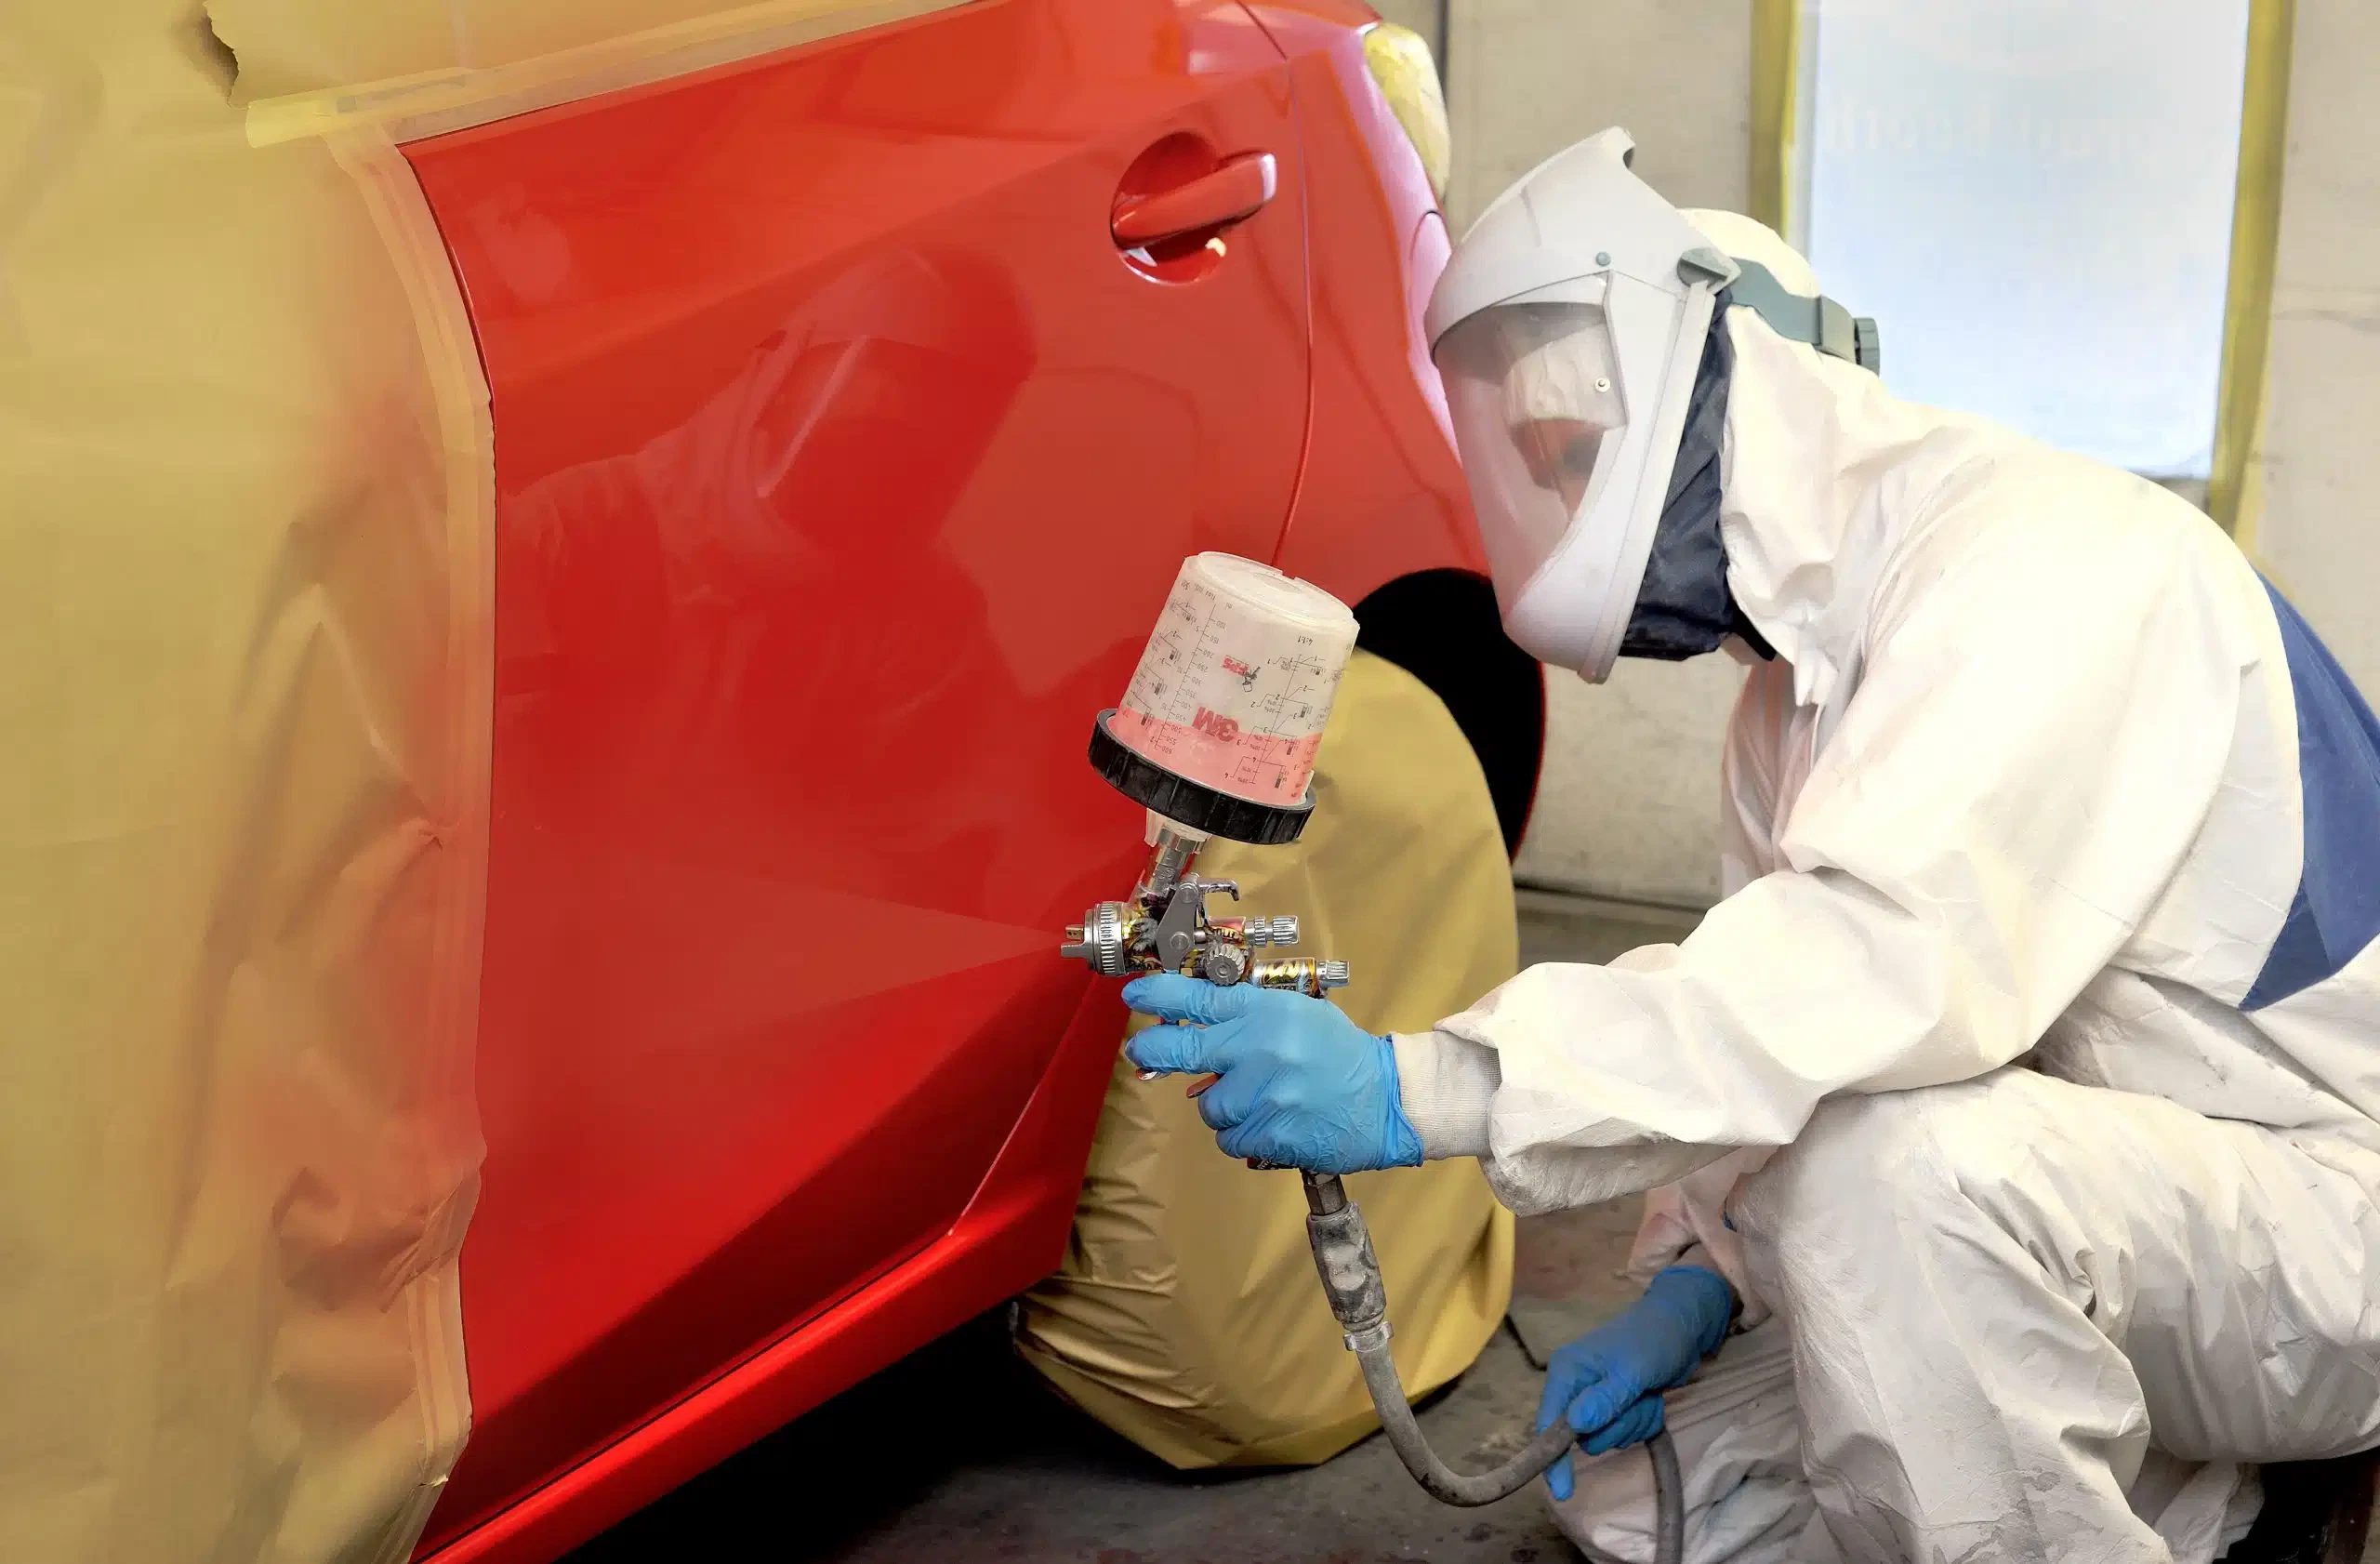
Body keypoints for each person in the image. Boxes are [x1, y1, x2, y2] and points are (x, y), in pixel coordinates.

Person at [1121, 126, 2380, 1564]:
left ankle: (2217, 1482)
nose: (1554, 479)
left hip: (2322, 1221)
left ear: (1734, 371)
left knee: (1889, 1178)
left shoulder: (2054, 556)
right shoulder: (1788, 698)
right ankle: (2189, 1492)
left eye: (1573, 444)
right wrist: (1691, 1291)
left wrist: (1421, 1083)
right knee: (1641, 1494)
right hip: (2125, 1204)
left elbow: (1850, 983)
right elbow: (1753, 1023)